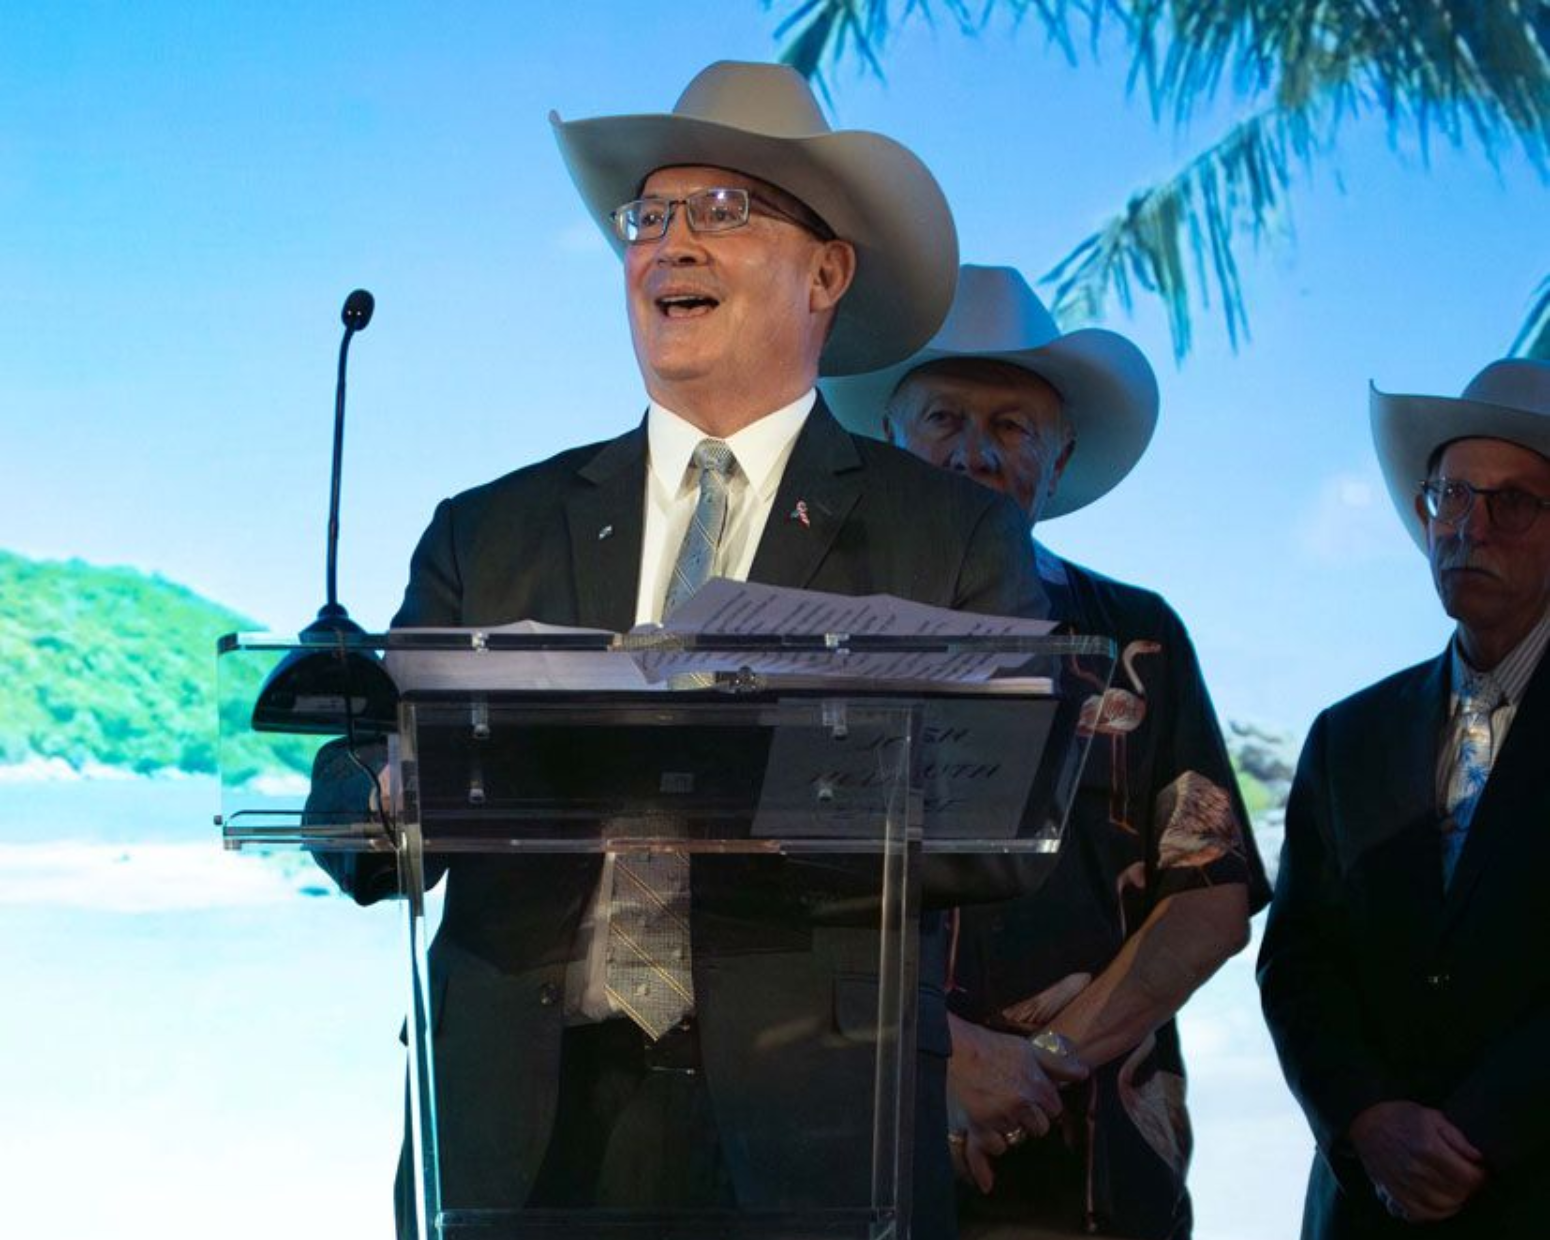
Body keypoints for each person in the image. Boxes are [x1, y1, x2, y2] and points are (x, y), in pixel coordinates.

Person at [309, 63, 1049, 1236]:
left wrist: (749, 774)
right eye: (647, 218)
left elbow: (998, 827)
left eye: (721, 212)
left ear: (826, 272)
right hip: (518, 1125)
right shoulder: (486, 529)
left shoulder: (949, 535)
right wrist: (386, 792)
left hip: (816, 1126)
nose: (670, 246)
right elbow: (352, 790)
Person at [824, 264, 1269, 1238]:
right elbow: (755, 887)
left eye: (1011, 427)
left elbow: (1210, 895)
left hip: (1090, 1166)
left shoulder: (1136, 634)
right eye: (940, 418)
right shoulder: (809, 630)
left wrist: (1034, 1066)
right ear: (886, 443)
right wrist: (932, 1062)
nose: (972, 453)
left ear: (1057, 459)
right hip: (843, 1148)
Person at [1258, 358, 1550, 1238]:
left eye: (1513, 503)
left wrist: (1473, 1137)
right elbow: (1296, 963)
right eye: (1452, 497)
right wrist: (1370, 1121)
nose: (1471, 527)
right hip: (1364, 1211)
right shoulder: (1348, 736)